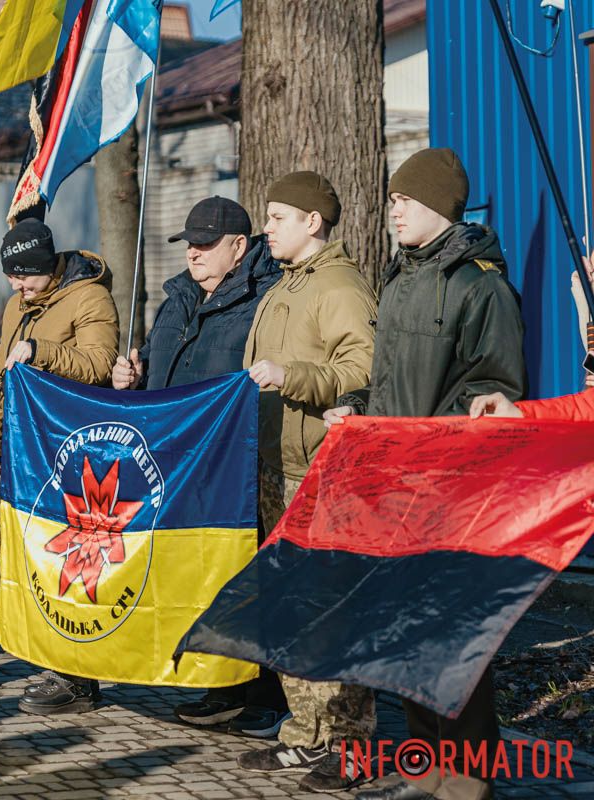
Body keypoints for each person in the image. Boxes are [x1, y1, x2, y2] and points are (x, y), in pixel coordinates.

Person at [325, 147, 527, 800]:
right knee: (404, 634)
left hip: (453, 492)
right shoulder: (400, 279)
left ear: (438, 205)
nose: (393, 211)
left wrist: (435, 438)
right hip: (392, 487)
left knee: (454, 639)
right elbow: (388, 383)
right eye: (390, 200)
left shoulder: (481, 284)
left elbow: (495, 383)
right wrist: (357, 409)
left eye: (403, 200)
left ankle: (467, 780)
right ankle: (424, 768)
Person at [111, 196, 288, 738]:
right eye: (188, 242)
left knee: (249, 577)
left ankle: (266, 695)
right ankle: (223, 686)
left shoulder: (264, 298)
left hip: (240, 464)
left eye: (205, 244)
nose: (193, 252)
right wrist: (135, 372)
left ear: (240, 246)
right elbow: (160, 358)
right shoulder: (178, 297)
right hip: (175, 465)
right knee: (206, 577)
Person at [236, 171, 378, 792]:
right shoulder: (282, 287)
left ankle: (349, 743)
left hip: (322, 472)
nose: (266, 226)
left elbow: (362, 367)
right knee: (289, 606)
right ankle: (305, 734)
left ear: (312, 221)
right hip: (276, 468)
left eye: (277, 216)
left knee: (329, 608)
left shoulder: (341, 286)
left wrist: (290, 374)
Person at [0, 218, 119, 714]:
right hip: (30, 452)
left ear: (49, 266)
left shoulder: (90, 298)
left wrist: (42, 352)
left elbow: (100, 363)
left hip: (79, 455)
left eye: (25, 276)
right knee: (40, 559)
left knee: (77, 567)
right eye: (12, 276)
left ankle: (81, 679)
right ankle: (55, 659)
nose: (16, 285)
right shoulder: (18, 303)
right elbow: (1, 375)